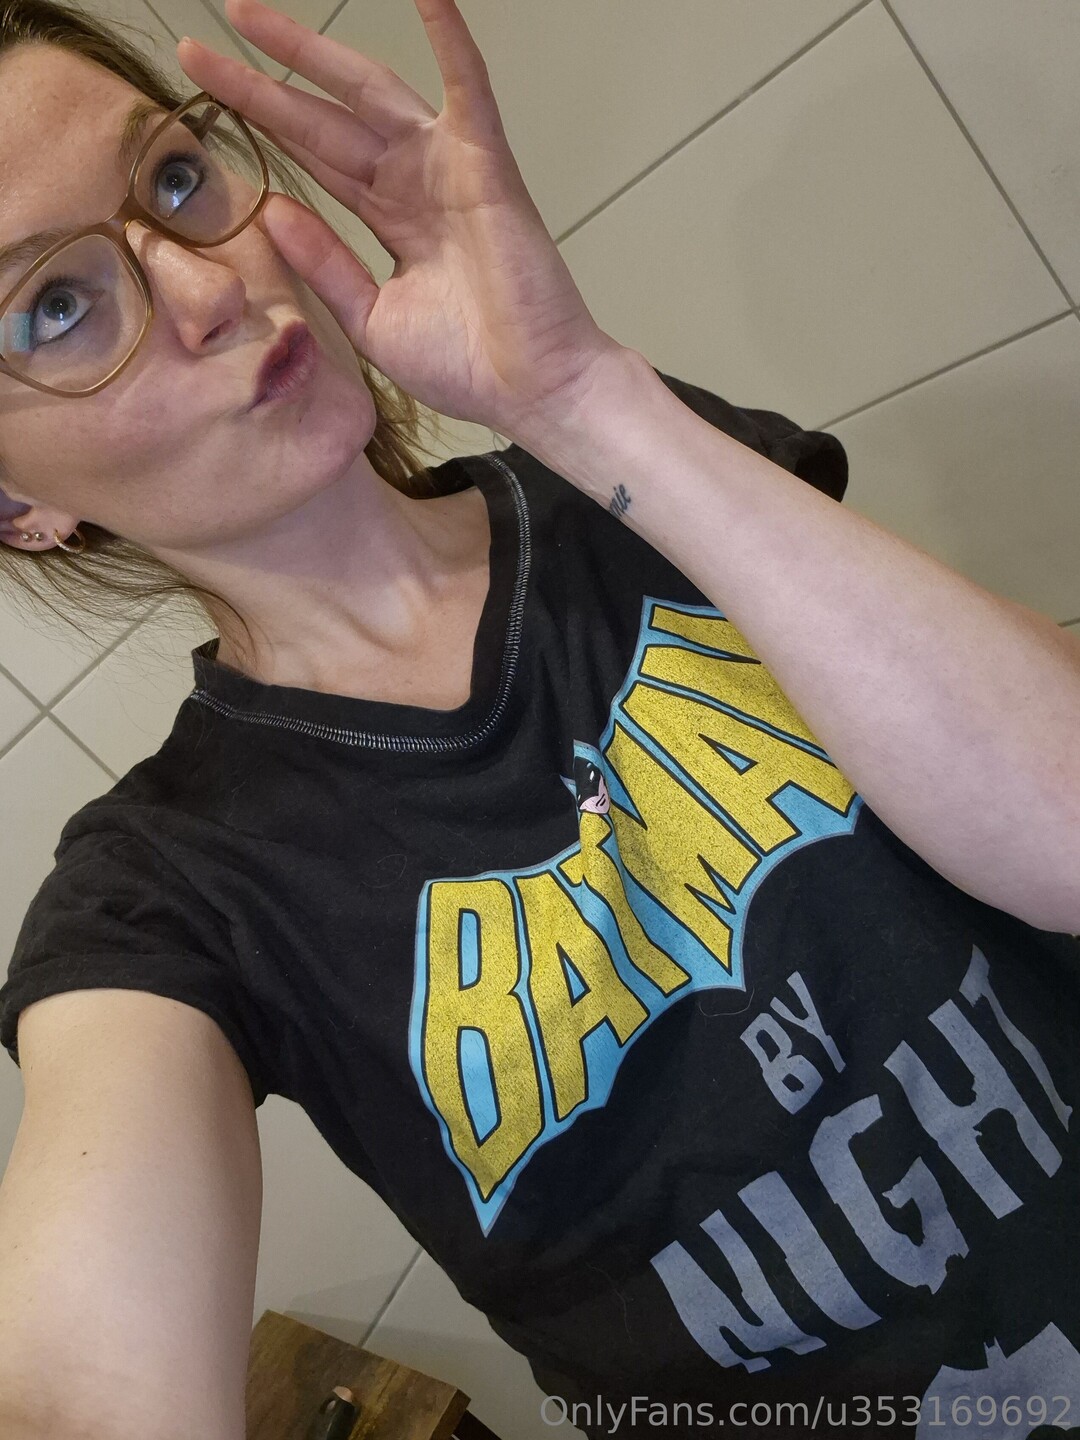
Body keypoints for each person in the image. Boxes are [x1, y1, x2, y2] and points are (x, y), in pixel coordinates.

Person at [0, 1, 1078, 1438]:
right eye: (52, 307)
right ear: (18, 505)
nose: (209, 286)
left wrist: (583, 397)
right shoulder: (162, 895)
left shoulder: (627, 475)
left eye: (176, 180)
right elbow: (75, 1391)